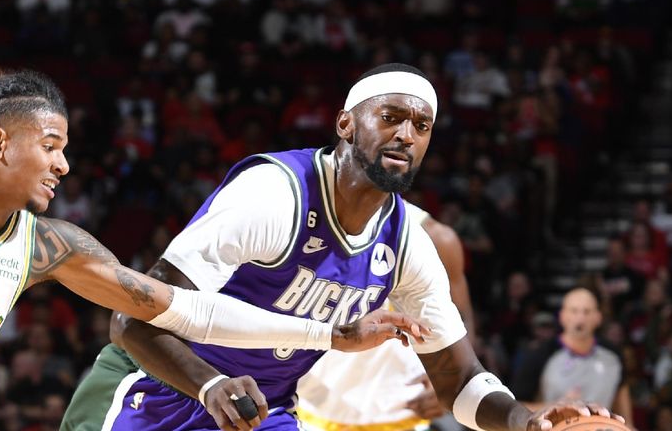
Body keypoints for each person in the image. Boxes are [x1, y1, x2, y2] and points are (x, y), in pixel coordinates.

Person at [61, 63, 623, 431]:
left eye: (421, 126)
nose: (407, 134)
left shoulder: (409, 243)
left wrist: (529, 423)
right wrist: (209, 384)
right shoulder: (273, 193)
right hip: (153, 394)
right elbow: (132, 323)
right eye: (392, 117)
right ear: (346, 125)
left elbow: (457, 379)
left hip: (262, 413)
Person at [0, 60, 424, 430]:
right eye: (50, 146)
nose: (64, 165)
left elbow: (187, 312)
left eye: (66, 151)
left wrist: (330, 335)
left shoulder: (47, 245)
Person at [295, 202, 475, 431]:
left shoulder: (436, 239)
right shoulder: (299, 219)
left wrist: (452, 380)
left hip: (401, 415)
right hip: (308, 411)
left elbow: (462, 319)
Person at [510, 287, 634, 427]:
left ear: (598, 317)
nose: (580, 318)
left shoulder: (613, 356)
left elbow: (625, 414)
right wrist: (556, 407)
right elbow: (515, 408)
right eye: (574, 311)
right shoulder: (540, 354)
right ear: (562, 316)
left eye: (586, 311)